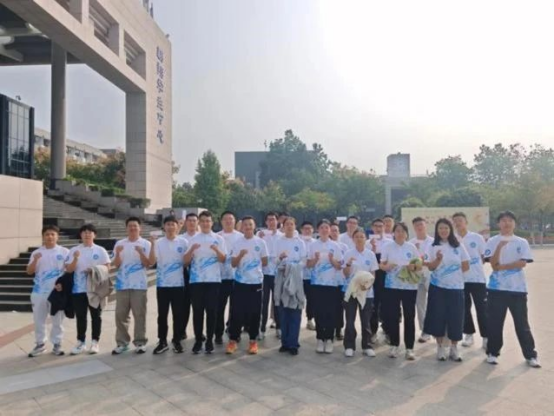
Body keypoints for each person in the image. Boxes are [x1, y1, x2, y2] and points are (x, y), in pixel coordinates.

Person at [484, 211, 540, 368]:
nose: (506, 223)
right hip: (496, 289)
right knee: (495, 323)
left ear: (514, 223)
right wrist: (499, 248)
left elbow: (522, 263)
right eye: (503, 220)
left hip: (517, 289)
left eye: (510, 220)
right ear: (498, 224)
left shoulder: (521, 241)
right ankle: (492, 352)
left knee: (522, 324)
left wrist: (502, 266)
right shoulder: (492, 241)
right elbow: (493, 264)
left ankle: (530, 355)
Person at [424, 218, 470, 362]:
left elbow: (466, 265)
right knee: (438, 317)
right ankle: (440, 347)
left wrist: (453, 275)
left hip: (456, 288)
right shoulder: (432, 246)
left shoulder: (458, 246)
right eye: (440, 228)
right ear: (437, 231)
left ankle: (454, 348)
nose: (443, 231)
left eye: (446, 228)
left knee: (456, 318)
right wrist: (438, 260)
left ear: (450, 230)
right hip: (438, 288)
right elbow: (430, 267)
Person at [184, 211, 227, 354]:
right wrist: (191, 249)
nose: (205, 223)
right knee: (197, 311)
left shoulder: (219, 239)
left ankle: (209, 340)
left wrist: (215, 249)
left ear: (212, 222)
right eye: (202, 221)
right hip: (196, 281)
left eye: (208, 221)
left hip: (213, 280)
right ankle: (198, 340)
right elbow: (185, 262)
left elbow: (223, 259)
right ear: (199, 223)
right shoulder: (193, 239)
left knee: (212, 311)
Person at [65, 224, 111, 355]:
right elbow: (68, 269)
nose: (87, 234)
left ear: (94, 235)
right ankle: (81, 342)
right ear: (80, 235)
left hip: (95, 289)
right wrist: (75, 259)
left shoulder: (100, 250)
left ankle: (95, 342)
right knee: (81, 317)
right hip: (78, 289)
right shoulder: (74, 250)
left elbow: (108, 267)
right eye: (84, 232)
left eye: (90, 232)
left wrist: (94, 270)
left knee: (96, 316)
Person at [226, 216, 268, 355]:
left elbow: (265, 262)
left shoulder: (261, 242)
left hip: (256, 283)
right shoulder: (238, 243)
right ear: (242, 227)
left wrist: (255, 262)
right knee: (236, 312)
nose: (248, 227)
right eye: (245, 224)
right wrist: (240, 256)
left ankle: (253, 341)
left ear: (254, 226)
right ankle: (233, 340)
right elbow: (233, 264)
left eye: (250, 224)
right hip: (240, 282)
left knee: (255, 312)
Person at [26, 225, 70, 357]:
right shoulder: (36, 253)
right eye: (47, 234)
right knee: (39, 319)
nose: (50, 237)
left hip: (57, 292)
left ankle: (57, 344)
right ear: (43, 237)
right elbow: (29, 271)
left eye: (52, 234)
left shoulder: (64, 252)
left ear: (57, 236)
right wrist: (35, 260)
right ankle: (40, 344)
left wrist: (63, 285)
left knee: (57, 320)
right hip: (39, 291)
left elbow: (69, 271)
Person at [380, 222, 421, 360]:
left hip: (409, 287)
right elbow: (381, 264)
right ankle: (394, 345)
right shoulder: (387, 246)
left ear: (406, 233)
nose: (400, 233)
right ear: (393, 233)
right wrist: (386, 267)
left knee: (409, 316)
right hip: (392, 286)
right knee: (393, 316)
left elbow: (418, 265)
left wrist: (413, 267)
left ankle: (409, 348)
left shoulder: (411, 247)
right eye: (397, 231)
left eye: (403, 231)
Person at [148, 216, 189, 355]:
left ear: (177, 226)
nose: (170, 226)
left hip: (178, 284)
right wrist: (152, 244)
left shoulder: (183, 242)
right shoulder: (159, 242)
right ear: (164, 227)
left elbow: (187, 261)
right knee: (162, 315)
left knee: (178, 314)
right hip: (163, 284)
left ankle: (177, 340)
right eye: (168, 224)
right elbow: (152, 262)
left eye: (173, 224)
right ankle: (162, 341)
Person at [111, 217, 152, 355]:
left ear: (140, 228)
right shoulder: (120, 244)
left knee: (139, 314)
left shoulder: (146, 244)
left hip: (139, 285)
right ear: (126, 228)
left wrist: (141, 252)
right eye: (130, 226)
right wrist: (117, 253)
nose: (133, 228)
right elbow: (116, 264)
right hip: (122, 284)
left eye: (135, 226)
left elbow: (148, 264)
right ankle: (122, 343)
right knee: (121, 315)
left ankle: (140, 342)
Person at [452, 212, 488, 350]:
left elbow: (483, 257)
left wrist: (473, 267)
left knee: (482, 309)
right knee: (464, 309)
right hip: (460, 280)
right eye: (455, 221)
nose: (457, 223)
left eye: (460, 220)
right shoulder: (452, 239)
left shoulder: (477, 237)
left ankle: (486, 337)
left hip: (478, 279)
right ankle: (469, 334)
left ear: (466, 222)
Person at [307, 219, 343, 354]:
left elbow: (339, 266)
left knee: (330, 312)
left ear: (330, 230)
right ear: (318, 230)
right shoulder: (313, 245)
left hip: (332, 284)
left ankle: (329, 339)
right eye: (322, 227)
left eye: (326, 227)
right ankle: (320, 338)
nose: (324, 230)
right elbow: (308, 265)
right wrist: (316, 259)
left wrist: (332, 259)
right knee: (319, 312)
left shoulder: (335, 246)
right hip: (317, 283)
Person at [342, 228, 379, 358]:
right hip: (352, 291)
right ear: (353, 239)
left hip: (366, 292)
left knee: (366, 320)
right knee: (350, 320)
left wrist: (367, 286)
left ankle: (367, 346)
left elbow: (373, 273)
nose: (359, 239)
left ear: (365, 239)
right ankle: (349, 346)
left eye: (361, 237)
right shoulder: (348, 253)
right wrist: (348, 264)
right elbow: (345, 274)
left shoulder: (370, 254)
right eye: (356, 236)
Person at [275, 217, 306, 356]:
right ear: (283, 226)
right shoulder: (278, 242)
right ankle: (285, 342)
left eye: (291, 224)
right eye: (287, 224)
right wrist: (280, 259)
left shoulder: (300, 242)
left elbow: (304, 261)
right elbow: (274, 261)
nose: (289, 226)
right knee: (283, 311)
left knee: (295, 311)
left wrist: (293, 267)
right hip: (282, 278)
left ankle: (293, 343)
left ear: (295, 226)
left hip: (296, 279)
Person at [215, 211, 243, 345]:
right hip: (220, 277)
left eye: (231, 219)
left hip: (237, 277)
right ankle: (218, 333)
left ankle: (234, 332)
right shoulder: (216, 237)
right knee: (219, 307)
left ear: (235, 221)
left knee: (236, 307)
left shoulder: (241, 237)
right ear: (221, 221)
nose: (228, 221)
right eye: (225, 219)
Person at [257, 212, 283, 339]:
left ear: (277, 221)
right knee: (263, 302)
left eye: (273, 219)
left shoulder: (282, 236)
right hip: (264, 274)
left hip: (278, 273)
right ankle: (261, 329)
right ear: (266, 222)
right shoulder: (260, 235)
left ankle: (279, 327)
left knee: (277, 301)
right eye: (269, 220)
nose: (271, 222)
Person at [409, 217, 434, 343]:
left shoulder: (433, 241)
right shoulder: (411, 243)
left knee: (435, 302)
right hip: (417, 276)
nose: (419, 227)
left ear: (425, 225)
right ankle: (425, 331)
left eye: (421, 224)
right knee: (420, 304)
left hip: (431, 275)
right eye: (416, 225)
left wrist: (423, 261)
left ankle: (437, 329)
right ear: (414, 227)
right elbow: (409, 261)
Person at [368, 218, 392, 341]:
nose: (378, 228)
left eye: (380, 226)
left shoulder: (390, 242)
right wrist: (372, 248)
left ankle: (388, 331)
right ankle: (372, 332)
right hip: (372, 275)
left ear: (384, 227)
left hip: (386, 275)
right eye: (376, 226)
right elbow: (366, 260)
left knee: (387, 304)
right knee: (373, 304)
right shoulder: (367, 242)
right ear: (372, 227)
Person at [181, 213, 199, 340]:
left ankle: (199, 332)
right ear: (186, 222)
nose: (192, 223)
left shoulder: (202, 237)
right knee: (184, 306)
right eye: (189, 220)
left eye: (194, 220)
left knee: (198, 307)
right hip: (185, 275)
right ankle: (182, 330)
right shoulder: (181, 239)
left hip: (199, 277)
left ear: (197, 222)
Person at [331, 223, 348, 340]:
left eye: (336, 230)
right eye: (332, 230)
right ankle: (330, 328)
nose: (334, 233)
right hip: (328, 281)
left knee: (340, 306)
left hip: (341, 281)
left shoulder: (344, 247)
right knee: (330, 305)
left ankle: (339, 329)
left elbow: (344, 263)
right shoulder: (327, 246)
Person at [300, 221, 316, 330]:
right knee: (297, 299)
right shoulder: (297, 242)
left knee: (311, 299)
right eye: (305, 228)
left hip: (311, 276)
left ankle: (310, 320)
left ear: (313, 230)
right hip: (298, 276)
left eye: (309, 228)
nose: (307, 230)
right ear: (301, 230)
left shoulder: (316, 243)